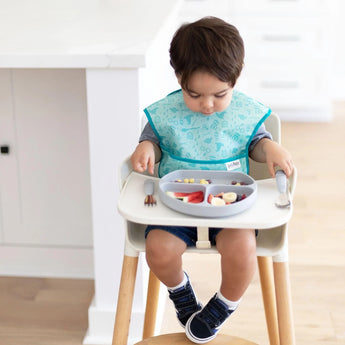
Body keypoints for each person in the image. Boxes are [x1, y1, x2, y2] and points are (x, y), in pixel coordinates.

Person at [131, 17, 294, 344]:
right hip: (176, 205)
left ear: (235, 80)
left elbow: (256, 144)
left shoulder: (243, 113)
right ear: (179, 78)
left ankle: (224, 304)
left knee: (243, 250)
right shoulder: (168, 113)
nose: (207, 105)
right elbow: (154, 140)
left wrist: (270, 147)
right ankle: (181, 293)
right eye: (195, 95)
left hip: (230, 206)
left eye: (220, 94)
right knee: (158, 250)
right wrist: (146, 147)